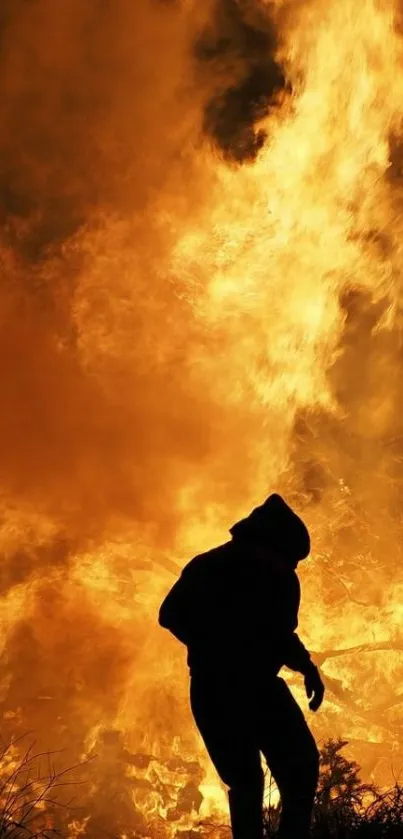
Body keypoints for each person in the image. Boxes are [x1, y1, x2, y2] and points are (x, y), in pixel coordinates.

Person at [159, 493, 325, 839]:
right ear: (263, 544)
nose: (292, 567)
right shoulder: (209, 568)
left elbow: (281, 633)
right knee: (247, 780)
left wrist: (307, 667)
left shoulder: (281, 579)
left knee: (302, 766)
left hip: (263, 688)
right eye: (288, 558)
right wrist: (216, 645)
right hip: (216, 689)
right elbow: (170, 615)